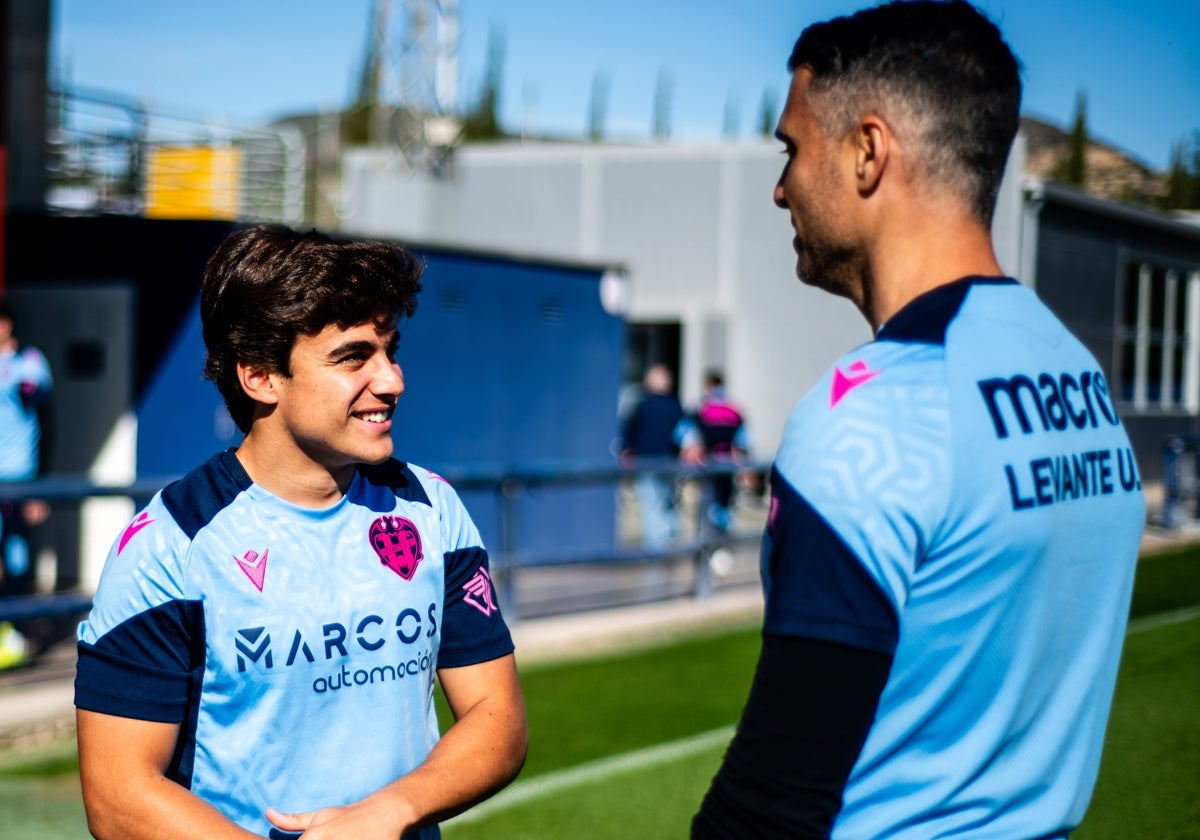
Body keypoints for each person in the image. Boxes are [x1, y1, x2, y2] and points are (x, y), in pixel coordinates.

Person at [693, 2, 1145, 838]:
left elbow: (775, 794)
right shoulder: (1075, 372)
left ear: (868, 151)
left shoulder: (875, 412)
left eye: (793, 148)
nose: (780, 185)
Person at [74, 225, 528, 840]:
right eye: (353, 357)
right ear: (260, 376)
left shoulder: (432, 509)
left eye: (390, 350)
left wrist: (388, 812)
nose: (392, 380)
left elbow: (497, 718)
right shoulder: (170, 546)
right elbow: (119, 796)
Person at [0, 296, 53, 670]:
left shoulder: (30, 365)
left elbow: (49, 423)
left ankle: (17, 635)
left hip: (19, 477)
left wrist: (42, 486)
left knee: (16, 559)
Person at [620, 363, 687, 549]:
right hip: (669, 460)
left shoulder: (641, 405)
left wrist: (626, 451)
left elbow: (629, 432)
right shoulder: (676, 407)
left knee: (648, 501)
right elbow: (684, 434)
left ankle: (654, 543)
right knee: (668, 499)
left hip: (645, 459)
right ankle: (669, 534)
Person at [681, 370, 750, 533]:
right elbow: (744, 440)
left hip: (707, 462)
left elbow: (685, 435)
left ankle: (709, 537)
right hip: (728, 463)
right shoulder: (735, 410)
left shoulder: (700, 409)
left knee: (708, 499)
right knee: (726, 498)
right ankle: (723, 533)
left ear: (707, 386)